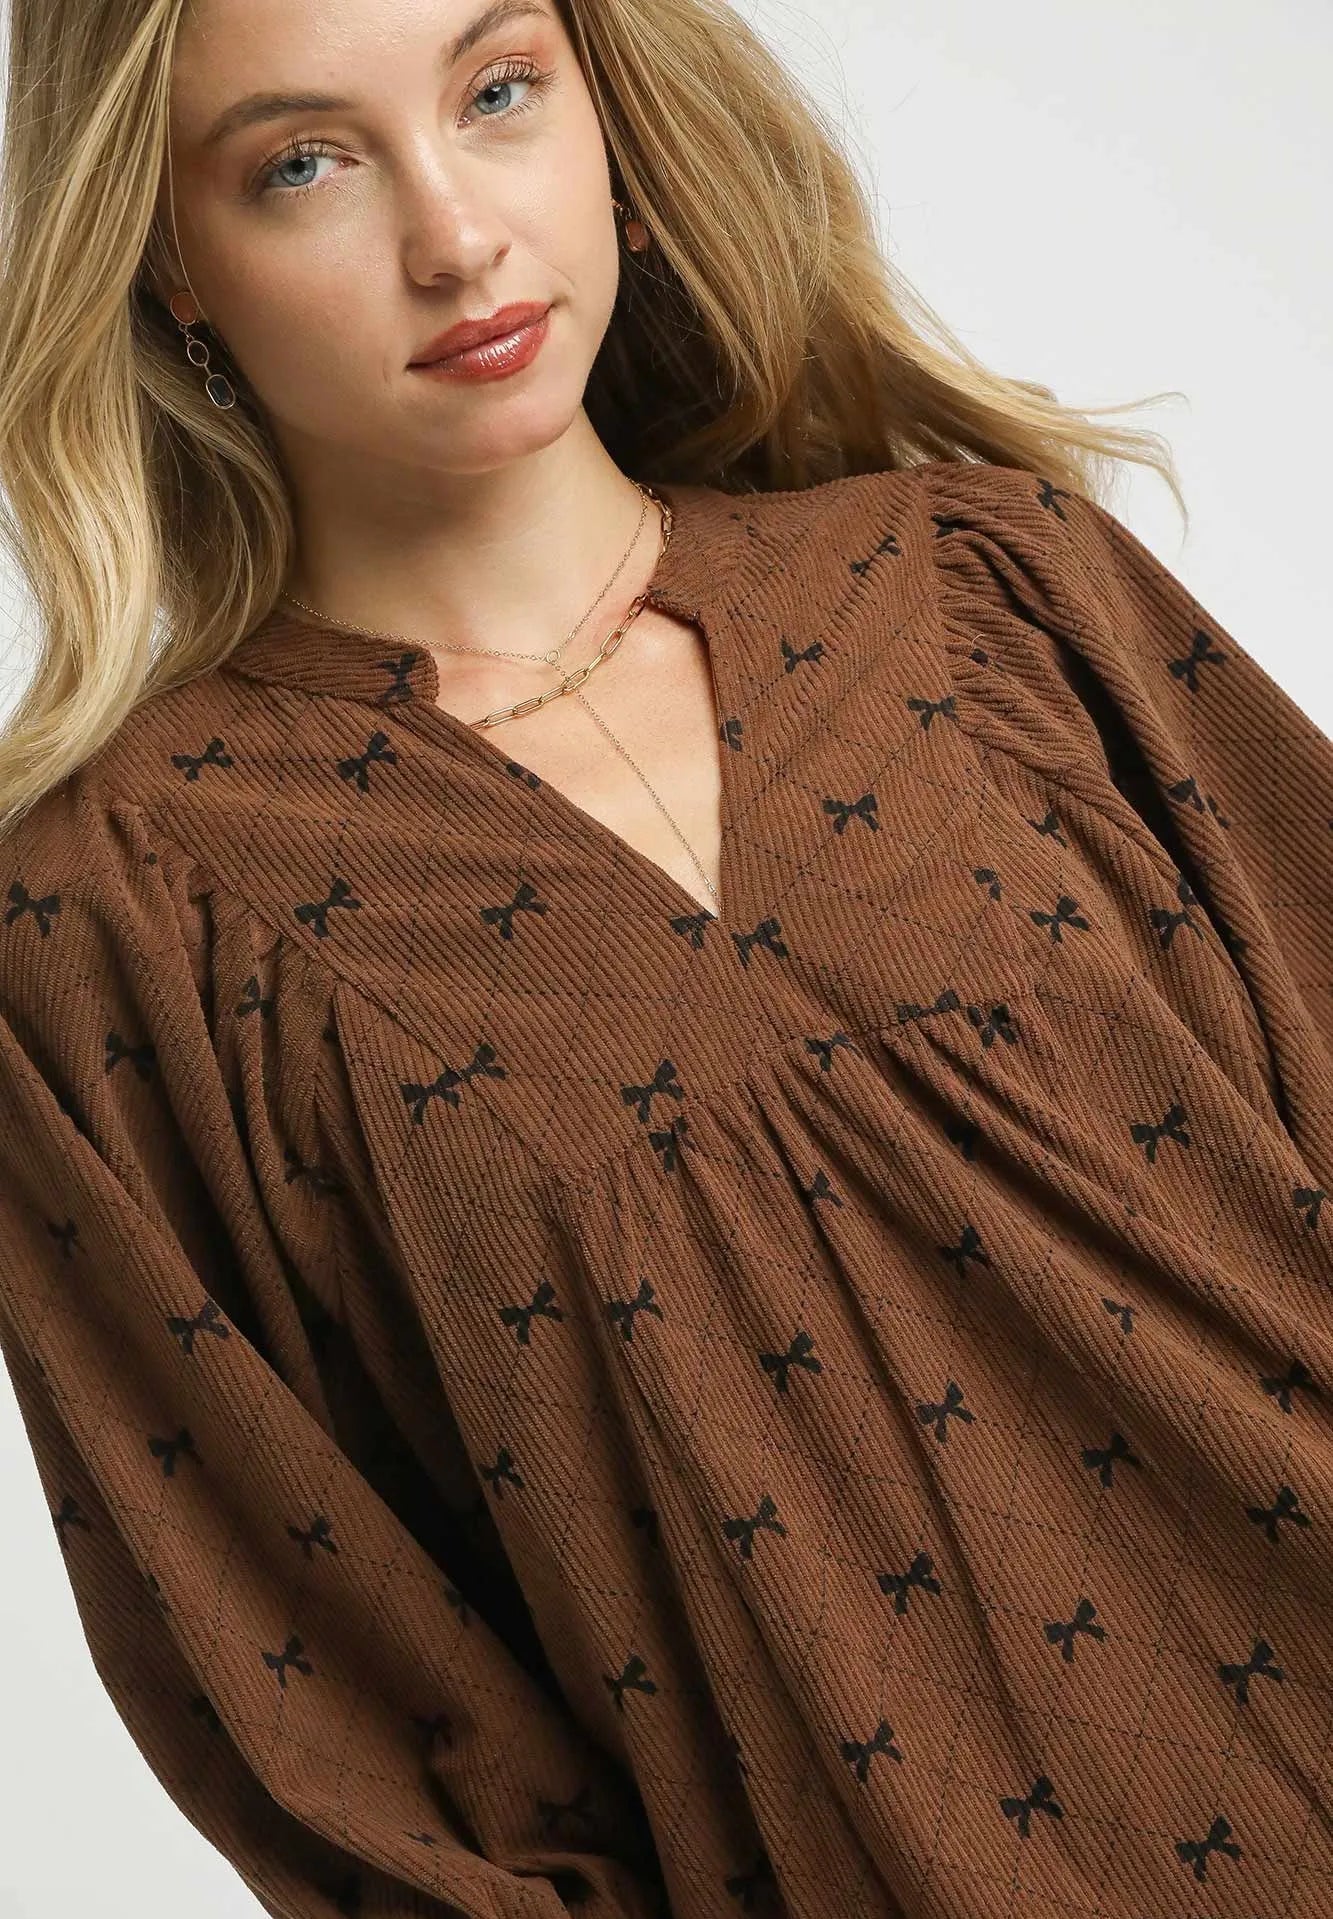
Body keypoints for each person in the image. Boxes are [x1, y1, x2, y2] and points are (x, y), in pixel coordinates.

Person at [0, 0, 1329, 1914]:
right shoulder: (127, 915)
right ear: (166, 264)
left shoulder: (992, 594)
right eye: (302, 164)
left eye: (496, 91)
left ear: (602, 105)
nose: (454, 237)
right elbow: (342, 1717)